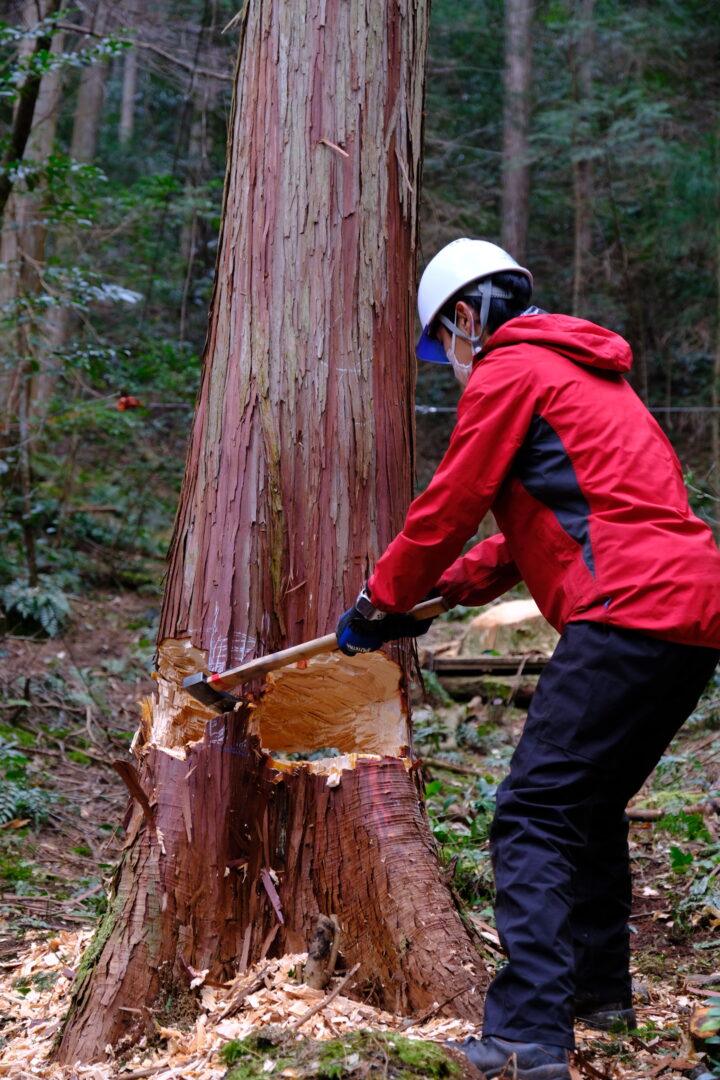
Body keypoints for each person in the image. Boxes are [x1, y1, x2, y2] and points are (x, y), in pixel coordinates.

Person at [335, 238, 720, 1080]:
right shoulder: (595, 381)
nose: (454, 365)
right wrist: (436, 597)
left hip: (629, 608)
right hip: (690, 611)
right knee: (586, 802)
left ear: (468, 316)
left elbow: (449, 505)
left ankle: (526, 1039)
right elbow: (531, 529)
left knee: (533, 810)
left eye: (448, 344)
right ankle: (599, 996)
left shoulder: (515, 371)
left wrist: (376, 600)